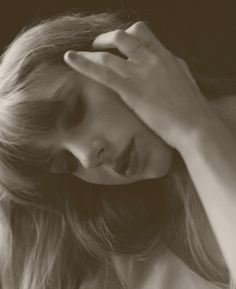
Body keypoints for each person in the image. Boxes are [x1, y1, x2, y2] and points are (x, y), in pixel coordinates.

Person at [0, 12, 236, 289]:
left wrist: (194, 129)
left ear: (118, 55)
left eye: (77, 112)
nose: (86, 157)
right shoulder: (120, 261)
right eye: (66, 162)